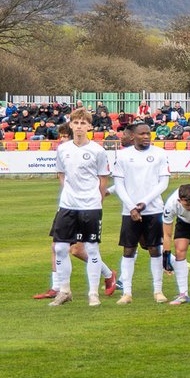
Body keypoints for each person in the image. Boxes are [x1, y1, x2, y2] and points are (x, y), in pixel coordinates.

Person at [48, 107, 112, 307]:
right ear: (70, 125)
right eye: (75, 123)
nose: (79, 127)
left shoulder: (97, 151)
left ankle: (93, 293)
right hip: (68, 205)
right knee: (60, 248)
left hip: (90, 206)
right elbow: (61, 174)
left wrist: (97, 200)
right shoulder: (63, 149)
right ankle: (64, 291)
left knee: (91, 249)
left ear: (89, 126)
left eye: (83, 123)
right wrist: (68, 194)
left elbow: (103, 179)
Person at [112, 121, 171, 304]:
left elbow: (163, 183)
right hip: (129, 211)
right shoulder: (123, 156)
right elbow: (119, 184)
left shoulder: (160, 154)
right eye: (142, 134)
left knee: (154, 248)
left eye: (148, 133)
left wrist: (144, 202)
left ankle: (158, 291)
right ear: (133, 136)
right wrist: (131, 207)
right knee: (129, 249)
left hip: (153, 209)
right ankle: (127, 293)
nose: (146, 137)